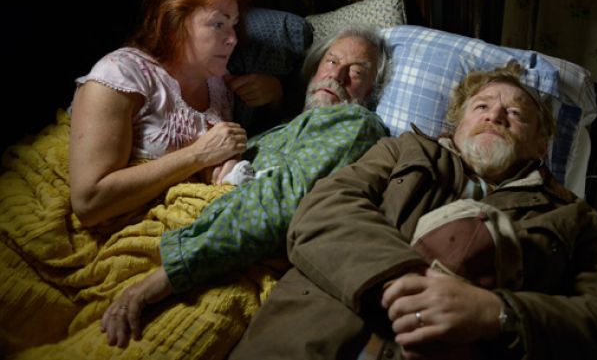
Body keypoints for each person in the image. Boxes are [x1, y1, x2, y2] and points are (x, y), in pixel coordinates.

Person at [228, 62, 597, 360]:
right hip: (306, 340)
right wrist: (404, 280)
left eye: (516, 114)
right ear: (456, 125)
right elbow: (321, 210)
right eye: (481, 106)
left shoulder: (577, 219)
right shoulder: (400, 150)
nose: (495, 115)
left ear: (541, 146)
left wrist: (495, 312)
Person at [100, 24, 392, 347]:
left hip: (211, 257)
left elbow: (279, 201)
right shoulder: (284, 124)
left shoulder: (357, 123)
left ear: (372, 91)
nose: (336, 76)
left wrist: (166, 275)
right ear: (314, 71)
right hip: (181, 226)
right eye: (332, 61)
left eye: (357, 72)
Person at [68, 0, 285, 228]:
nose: (233, 39)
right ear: (174, 24)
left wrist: (275, 92)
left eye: (233, 24)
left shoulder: (220, 86)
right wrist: (196, 155)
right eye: (219, 24)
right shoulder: (120, 74)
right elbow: (88, 203)